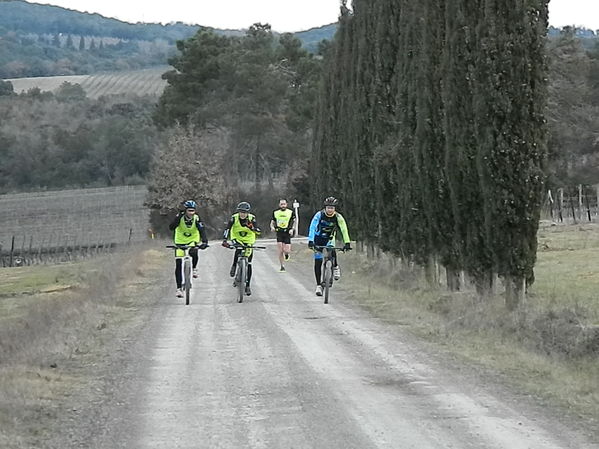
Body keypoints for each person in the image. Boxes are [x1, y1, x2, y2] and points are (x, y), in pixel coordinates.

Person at [308, 196, 352, 296]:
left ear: (335, 209)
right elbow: (312, 227)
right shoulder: (319, 215)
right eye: (328, 207)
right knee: (318, 262)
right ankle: (319, 285)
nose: (330, 210)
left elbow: (344, 229)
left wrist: (347, 242)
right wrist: (310, 240)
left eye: (332, 208)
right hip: (318, 239)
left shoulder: (338, 217)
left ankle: (335, 267)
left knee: (331, 250)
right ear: (325, 208)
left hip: (329, 238)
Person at [169, 200, 209, 298]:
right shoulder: (180, 217)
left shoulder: (196, 218)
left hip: (192, 239)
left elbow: (202, 229)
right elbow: (171, 227)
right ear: (185, 210)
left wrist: (205, 242)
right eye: (189, 211)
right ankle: (179, 289)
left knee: (194, 251)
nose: (191, 213)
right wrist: (178, 218)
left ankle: (194, 268)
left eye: (193, 211)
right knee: (178, 263)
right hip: (179, 240)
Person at [222, 201, 261, 296]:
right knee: (238, 248)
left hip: (249, 239)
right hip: (237, 237)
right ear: (238, 212)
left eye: (244, 212)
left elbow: (258, 231)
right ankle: (234, 265)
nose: (242, 214)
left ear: (248, 213)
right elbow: (227, 229)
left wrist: (253, 228)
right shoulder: (234, 218)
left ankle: (247, 285)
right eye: (241, 212)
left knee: (249, 262)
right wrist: (225, 240)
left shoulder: (252, 218)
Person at [270, 198, 295, 272]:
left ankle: (287, 254)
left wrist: (292, 229)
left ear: (286, 204)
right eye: (281, 204)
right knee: (280, 250)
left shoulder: (290, 212)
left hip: (287, 232)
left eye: (284, 204)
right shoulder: (275, 213)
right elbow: (272, 222)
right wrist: (272, 227)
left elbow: (294, 222)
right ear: (279, 205)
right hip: (279, 232)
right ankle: (282, 266)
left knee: (286, 250)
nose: (283, 205)